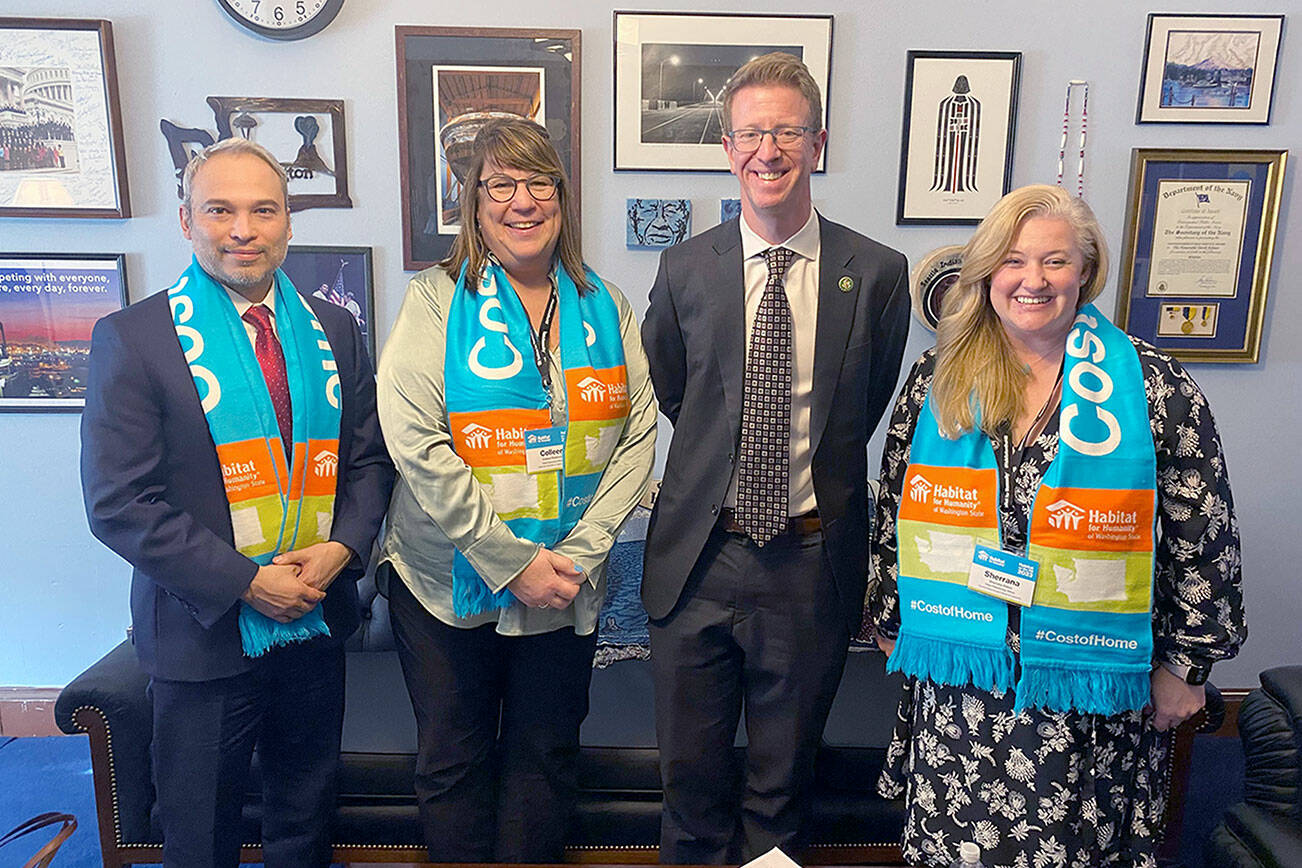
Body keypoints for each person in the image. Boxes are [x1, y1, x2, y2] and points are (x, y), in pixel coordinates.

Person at [867, 184, 1245, 867]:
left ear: (1085, 270)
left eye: (1055, 261)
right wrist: (893, 615)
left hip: (1090, 691)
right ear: (987, 273)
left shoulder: (1155, 386)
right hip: (966, 685)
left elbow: (1204, 537)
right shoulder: (938, 378)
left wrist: (1187, 667)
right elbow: (894, 507)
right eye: (1013, 261)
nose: (1032, 281)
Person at [80, 137, 393, 868]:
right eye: (221, 210)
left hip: (316, 620)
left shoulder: (333, 329)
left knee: (305, 815)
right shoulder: (133, 339)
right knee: (201, 834)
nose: (243, 229)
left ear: (289, 222)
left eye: (263, 210)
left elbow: (369, 460)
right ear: (187, 221)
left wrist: (343, 549)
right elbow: (118, 501)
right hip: (204, 635)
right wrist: (247, 580)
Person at [641, 52, 910, 863]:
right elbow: (677, 392)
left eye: (787, 130)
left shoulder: (878, 273)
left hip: (809, 559)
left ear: (818, 142)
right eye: (752, 132)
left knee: (782, 784)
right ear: (728, 147)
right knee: (689, 781)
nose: (769, 149)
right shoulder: (686, 266)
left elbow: (859, 411)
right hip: (698, 557)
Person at [376, 117, 656, 863]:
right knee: (454, 761)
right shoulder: (434, 300)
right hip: (444, 580)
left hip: (567, 580)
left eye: (538, 182)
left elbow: (639, 432)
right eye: (501, 183)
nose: (521, 201)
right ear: (474, 201)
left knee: (546, 756)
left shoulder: (607, 304)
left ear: (562, 199)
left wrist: (582, 552)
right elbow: (416, 439)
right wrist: (509, 559)